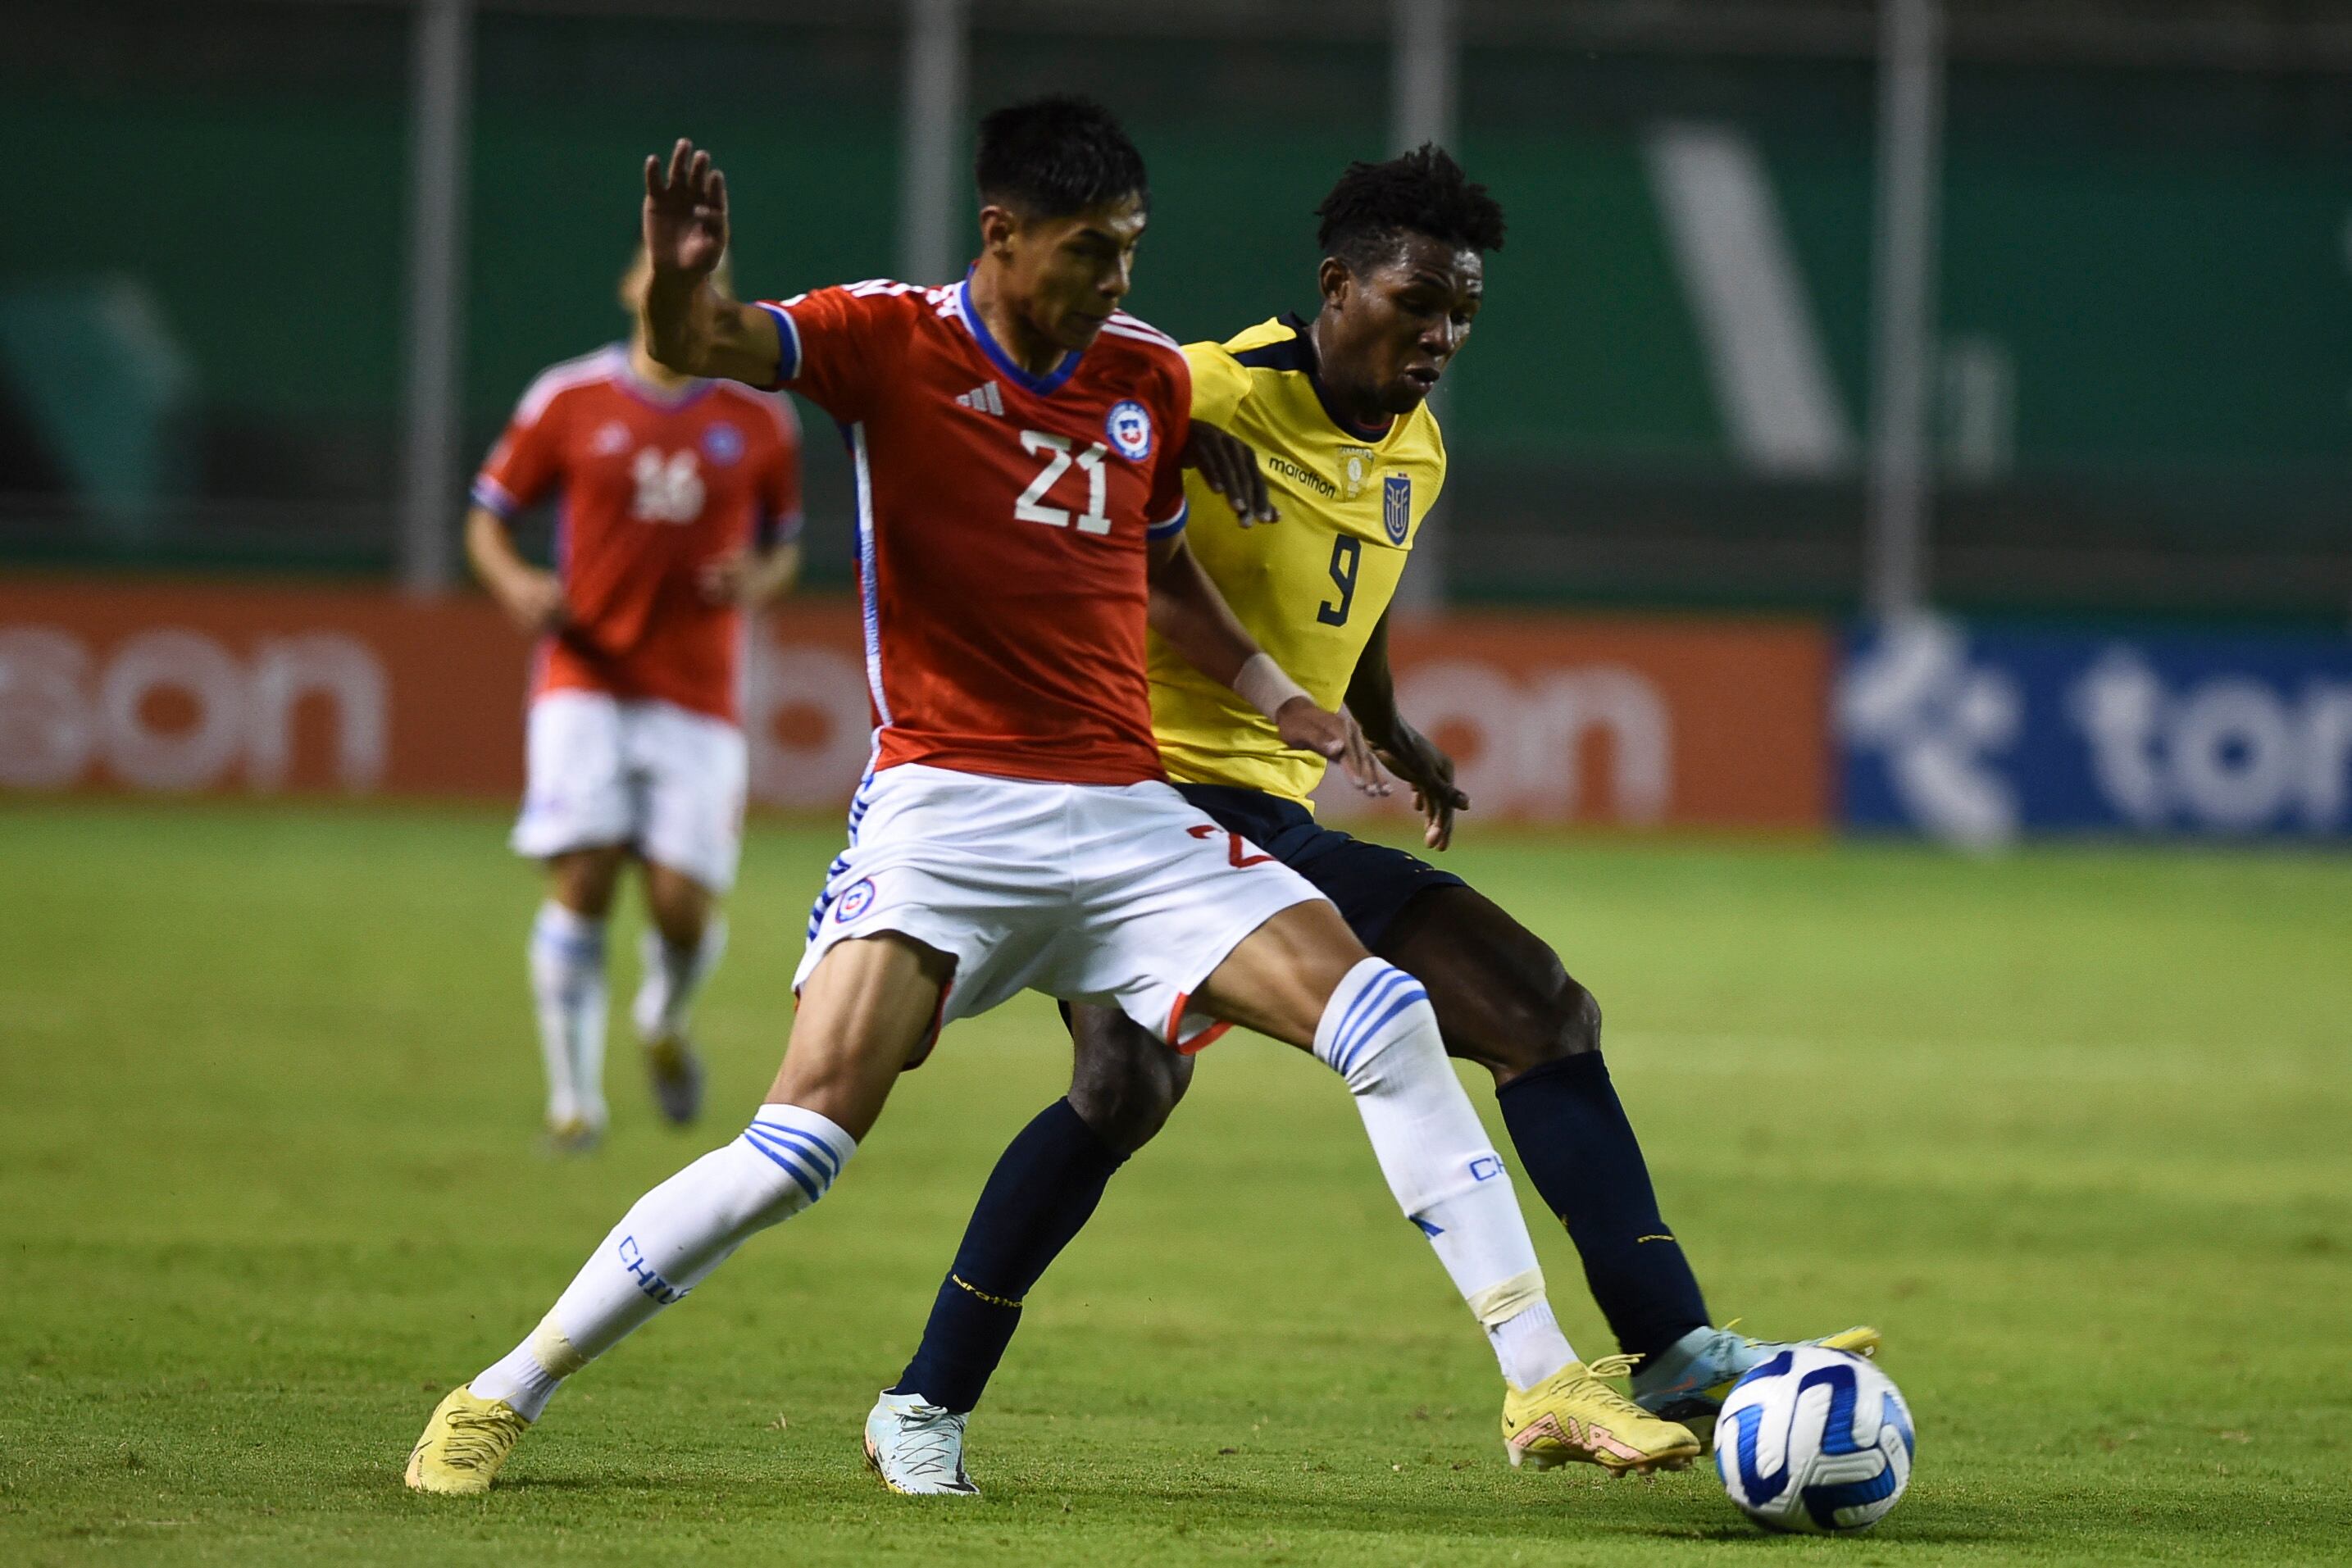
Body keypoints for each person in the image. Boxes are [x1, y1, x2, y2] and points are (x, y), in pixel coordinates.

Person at [407, 98, 1699, 1499]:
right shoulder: (884, 336)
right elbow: (699, 344)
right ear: (1001, 235)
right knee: (799, 1145)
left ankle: (1542, 1379)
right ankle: (502, 1389)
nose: (1119, 284)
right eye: (1091, 252)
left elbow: (1154, 570)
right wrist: (677, 276)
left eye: (1132, 250)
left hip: (1126, 810)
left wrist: (1275, 692)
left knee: (1377, 1010)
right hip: (947, 809)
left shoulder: (1139, 373)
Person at [862, 145, 1877, 1496]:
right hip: (1137, 800)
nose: (1438, 337)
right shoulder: (1200, 388)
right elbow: (1046, 385)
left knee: (1174, 1081)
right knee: (1485, 1012)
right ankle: (925, 1397)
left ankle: (1670, 1346)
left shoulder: (1417, 444)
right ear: (1334, 286)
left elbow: (1359, 587)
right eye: (1413, 305)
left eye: (1458, 313)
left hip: (1257, 811)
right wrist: (1147, 428)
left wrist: (1383, 721)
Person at [466, 246, 805, 1152]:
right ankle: (573, 1102)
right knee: (582, 875)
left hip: (697, 691)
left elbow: (785, 545)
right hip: (586, 677)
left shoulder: (760, 418)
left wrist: (758, 577)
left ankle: (663, 1018)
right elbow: (488, 515)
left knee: (680, 907)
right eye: (667, 279)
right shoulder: (567, 398)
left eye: (707, 285)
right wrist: (513, 583)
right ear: (632, 289)